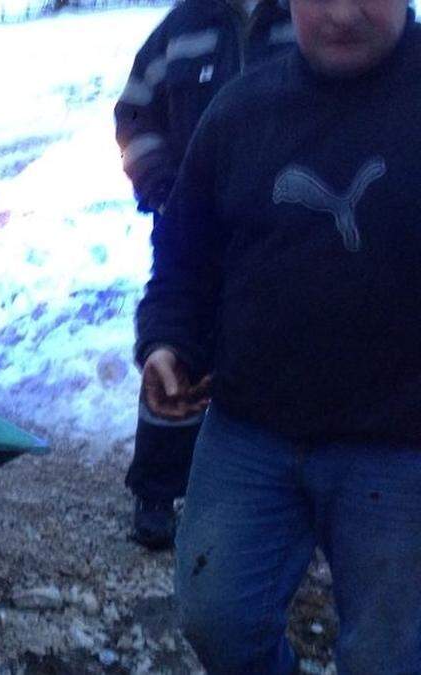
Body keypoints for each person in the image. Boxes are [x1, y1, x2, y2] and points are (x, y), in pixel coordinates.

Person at [136, 0, 421, 668]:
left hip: (402, 447)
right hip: (251, 431)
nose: (342, 13)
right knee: (217, 620)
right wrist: (166, 340)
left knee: (390, 652)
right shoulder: (241, 110)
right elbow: (184, 252)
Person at [114, 0, 294, 549]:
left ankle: (275, 489)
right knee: (177, 348)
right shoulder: (182, 27)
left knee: (277, 343)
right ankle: (157, 490)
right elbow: (134, 112)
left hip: (282, 228)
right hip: (189, 222)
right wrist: (162, 188)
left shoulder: (307, 19)